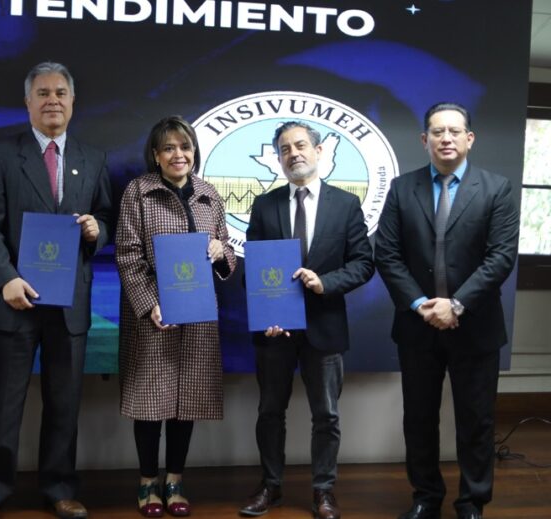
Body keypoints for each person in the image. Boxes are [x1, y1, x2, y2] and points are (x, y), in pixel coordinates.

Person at [0, 61, 112, 519]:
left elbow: (105, 216)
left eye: (60, 93)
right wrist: (5, 278)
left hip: (70, 304)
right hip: (15, 300)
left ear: (73, 102)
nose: (53, 100)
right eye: (43, 93)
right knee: (4, 403)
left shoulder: (93, 158)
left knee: (65, 404)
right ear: (28, 102)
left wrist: (97, 230)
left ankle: (60, 488)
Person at [374, 103, 519, 519]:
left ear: (469, 138)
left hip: (475, 325)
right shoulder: (402, 189)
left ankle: (472, 501)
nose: (446, 138)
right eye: (437, 132)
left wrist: (456, 304)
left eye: (455, 131)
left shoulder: (496, 189)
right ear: (425, 140)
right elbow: (387, 255)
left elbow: (500, 258)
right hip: (417, 326)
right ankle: (426, 497)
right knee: (419, 419)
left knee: (477, 421)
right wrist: (420, 304)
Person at [239, 121, 374, 519]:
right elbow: (252, 269)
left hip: (324, 326)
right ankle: (271, 486)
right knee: (269, 412)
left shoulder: (345, 205)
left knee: (326, 416)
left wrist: (325, 282)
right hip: (274, 330)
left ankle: (324, 491)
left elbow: (363, 264)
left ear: (318, 151)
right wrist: (267, 311)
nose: (293, 153)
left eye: (300, 145)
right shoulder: (264, 205)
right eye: (284, 149)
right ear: (279, 159)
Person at [116, 115, 236, 517]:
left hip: (198, 315)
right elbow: (127, 254)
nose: (178, 155)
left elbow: (226, 250)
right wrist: (150, 303)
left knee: (189, 400)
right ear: (155, 154)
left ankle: (175, 480)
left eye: (185, 147)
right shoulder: (139, 191)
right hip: (154, 315)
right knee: (151, 403)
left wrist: (220, 251)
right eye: (168, 148)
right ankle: (147, 481)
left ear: (194, 151)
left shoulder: (208, 194)